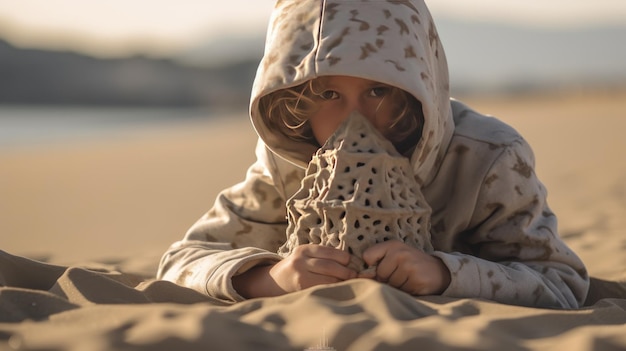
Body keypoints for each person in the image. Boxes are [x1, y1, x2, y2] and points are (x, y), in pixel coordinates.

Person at [157, 0, 589, 309]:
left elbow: (561, 282)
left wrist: (445, 274)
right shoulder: (285, 167)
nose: (356, 119)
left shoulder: (487, 159)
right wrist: (268, 277)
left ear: (420, 88)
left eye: (379, 91)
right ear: (290, 100)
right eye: (327, 94)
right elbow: (183, 260)